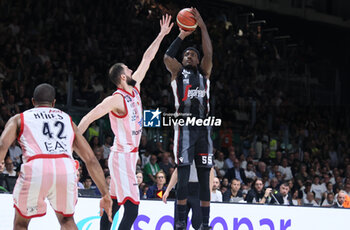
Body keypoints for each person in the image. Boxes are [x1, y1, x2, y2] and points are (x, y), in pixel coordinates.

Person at [78, 15, 173, 230]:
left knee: (114, 203)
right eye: (128, 70)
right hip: (122, 157)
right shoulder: (116, 99)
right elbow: (87, 117)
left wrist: (161, 35)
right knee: (132, 208)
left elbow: (147, 59)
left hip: (127, 157)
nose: (132, 70)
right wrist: (71, 143)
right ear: (122, 77)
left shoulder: (135, 87)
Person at [0, 83, 112, 230]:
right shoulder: (67, 120)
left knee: (21, 223)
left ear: (33, 102)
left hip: (36, 166)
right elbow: (90, 159)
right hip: (65, 167)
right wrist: (105, 194)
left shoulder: (19, 118)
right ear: (53, 103)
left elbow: (2, 145)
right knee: (67, 220)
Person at [164, 7, 213, 230]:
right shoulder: (177, 72)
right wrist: (182, 34)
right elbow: (167, 56)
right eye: (185, 54)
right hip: (184, 128)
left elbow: (209, 54)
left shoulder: (204, 72)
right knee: (183, 178)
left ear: (197, 59)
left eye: (192, 54)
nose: (188, 56)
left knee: (204, 178)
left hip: (203, 129)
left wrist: (202, 27)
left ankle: (205, 222)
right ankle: (180, 221)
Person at [163, 162, 202, 230]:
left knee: (198, 223)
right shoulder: (182, 152)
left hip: (198, 190)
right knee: (179, 224)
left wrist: (208, 191)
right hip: (183, 188)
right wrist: (168, 190)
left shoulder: (203, 152)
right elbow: (177, 171)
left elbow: (210, 172)